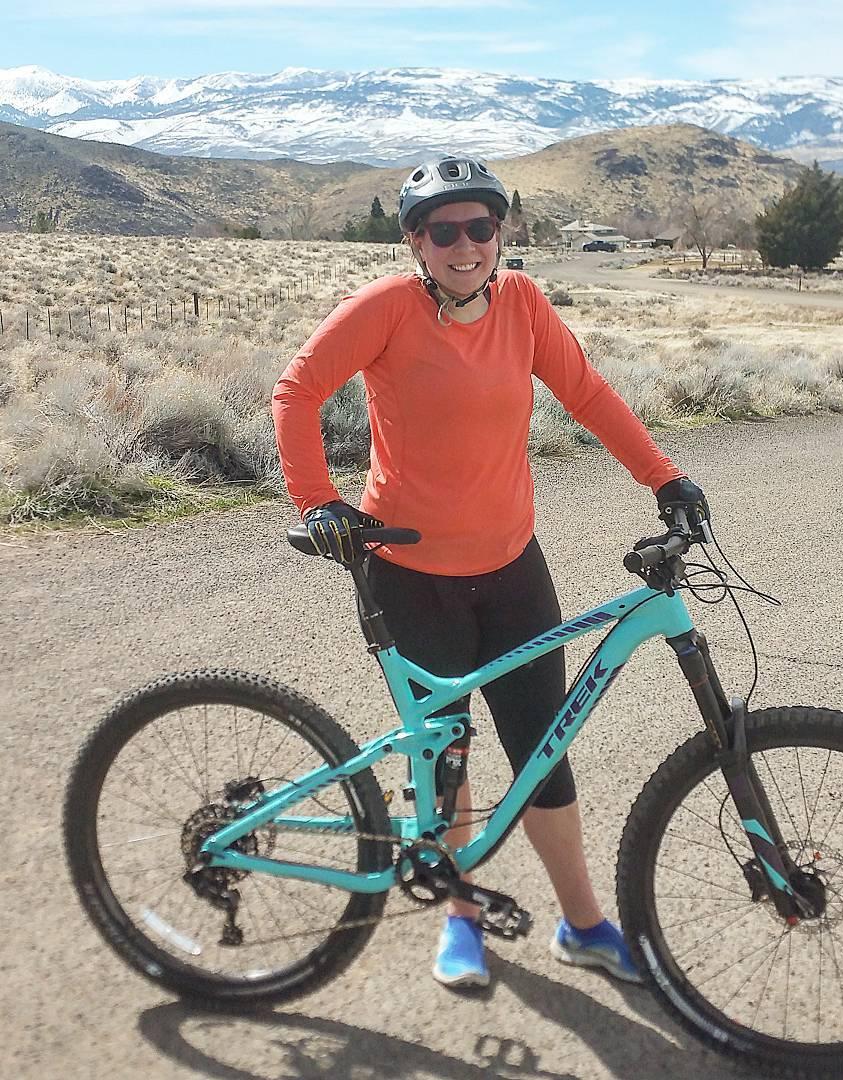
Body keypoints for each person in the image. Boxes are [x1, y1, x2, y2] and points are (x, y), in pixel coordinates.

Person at [272, 155, 707, 990]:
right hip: (409, 572)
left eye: (480, 226)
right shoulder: (388, 310)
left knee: (542, 749)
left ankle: (584, 924)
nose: (464, 244)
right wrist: (318, 500)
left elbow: (588, 394)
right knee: (448, 756)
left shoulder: (524, 304)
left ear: (500, 233)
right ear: (417, 242)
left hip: (512, 568)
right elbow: (296, 392)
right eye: (444, 230)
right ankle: (460, 916)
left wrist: (663, 477)